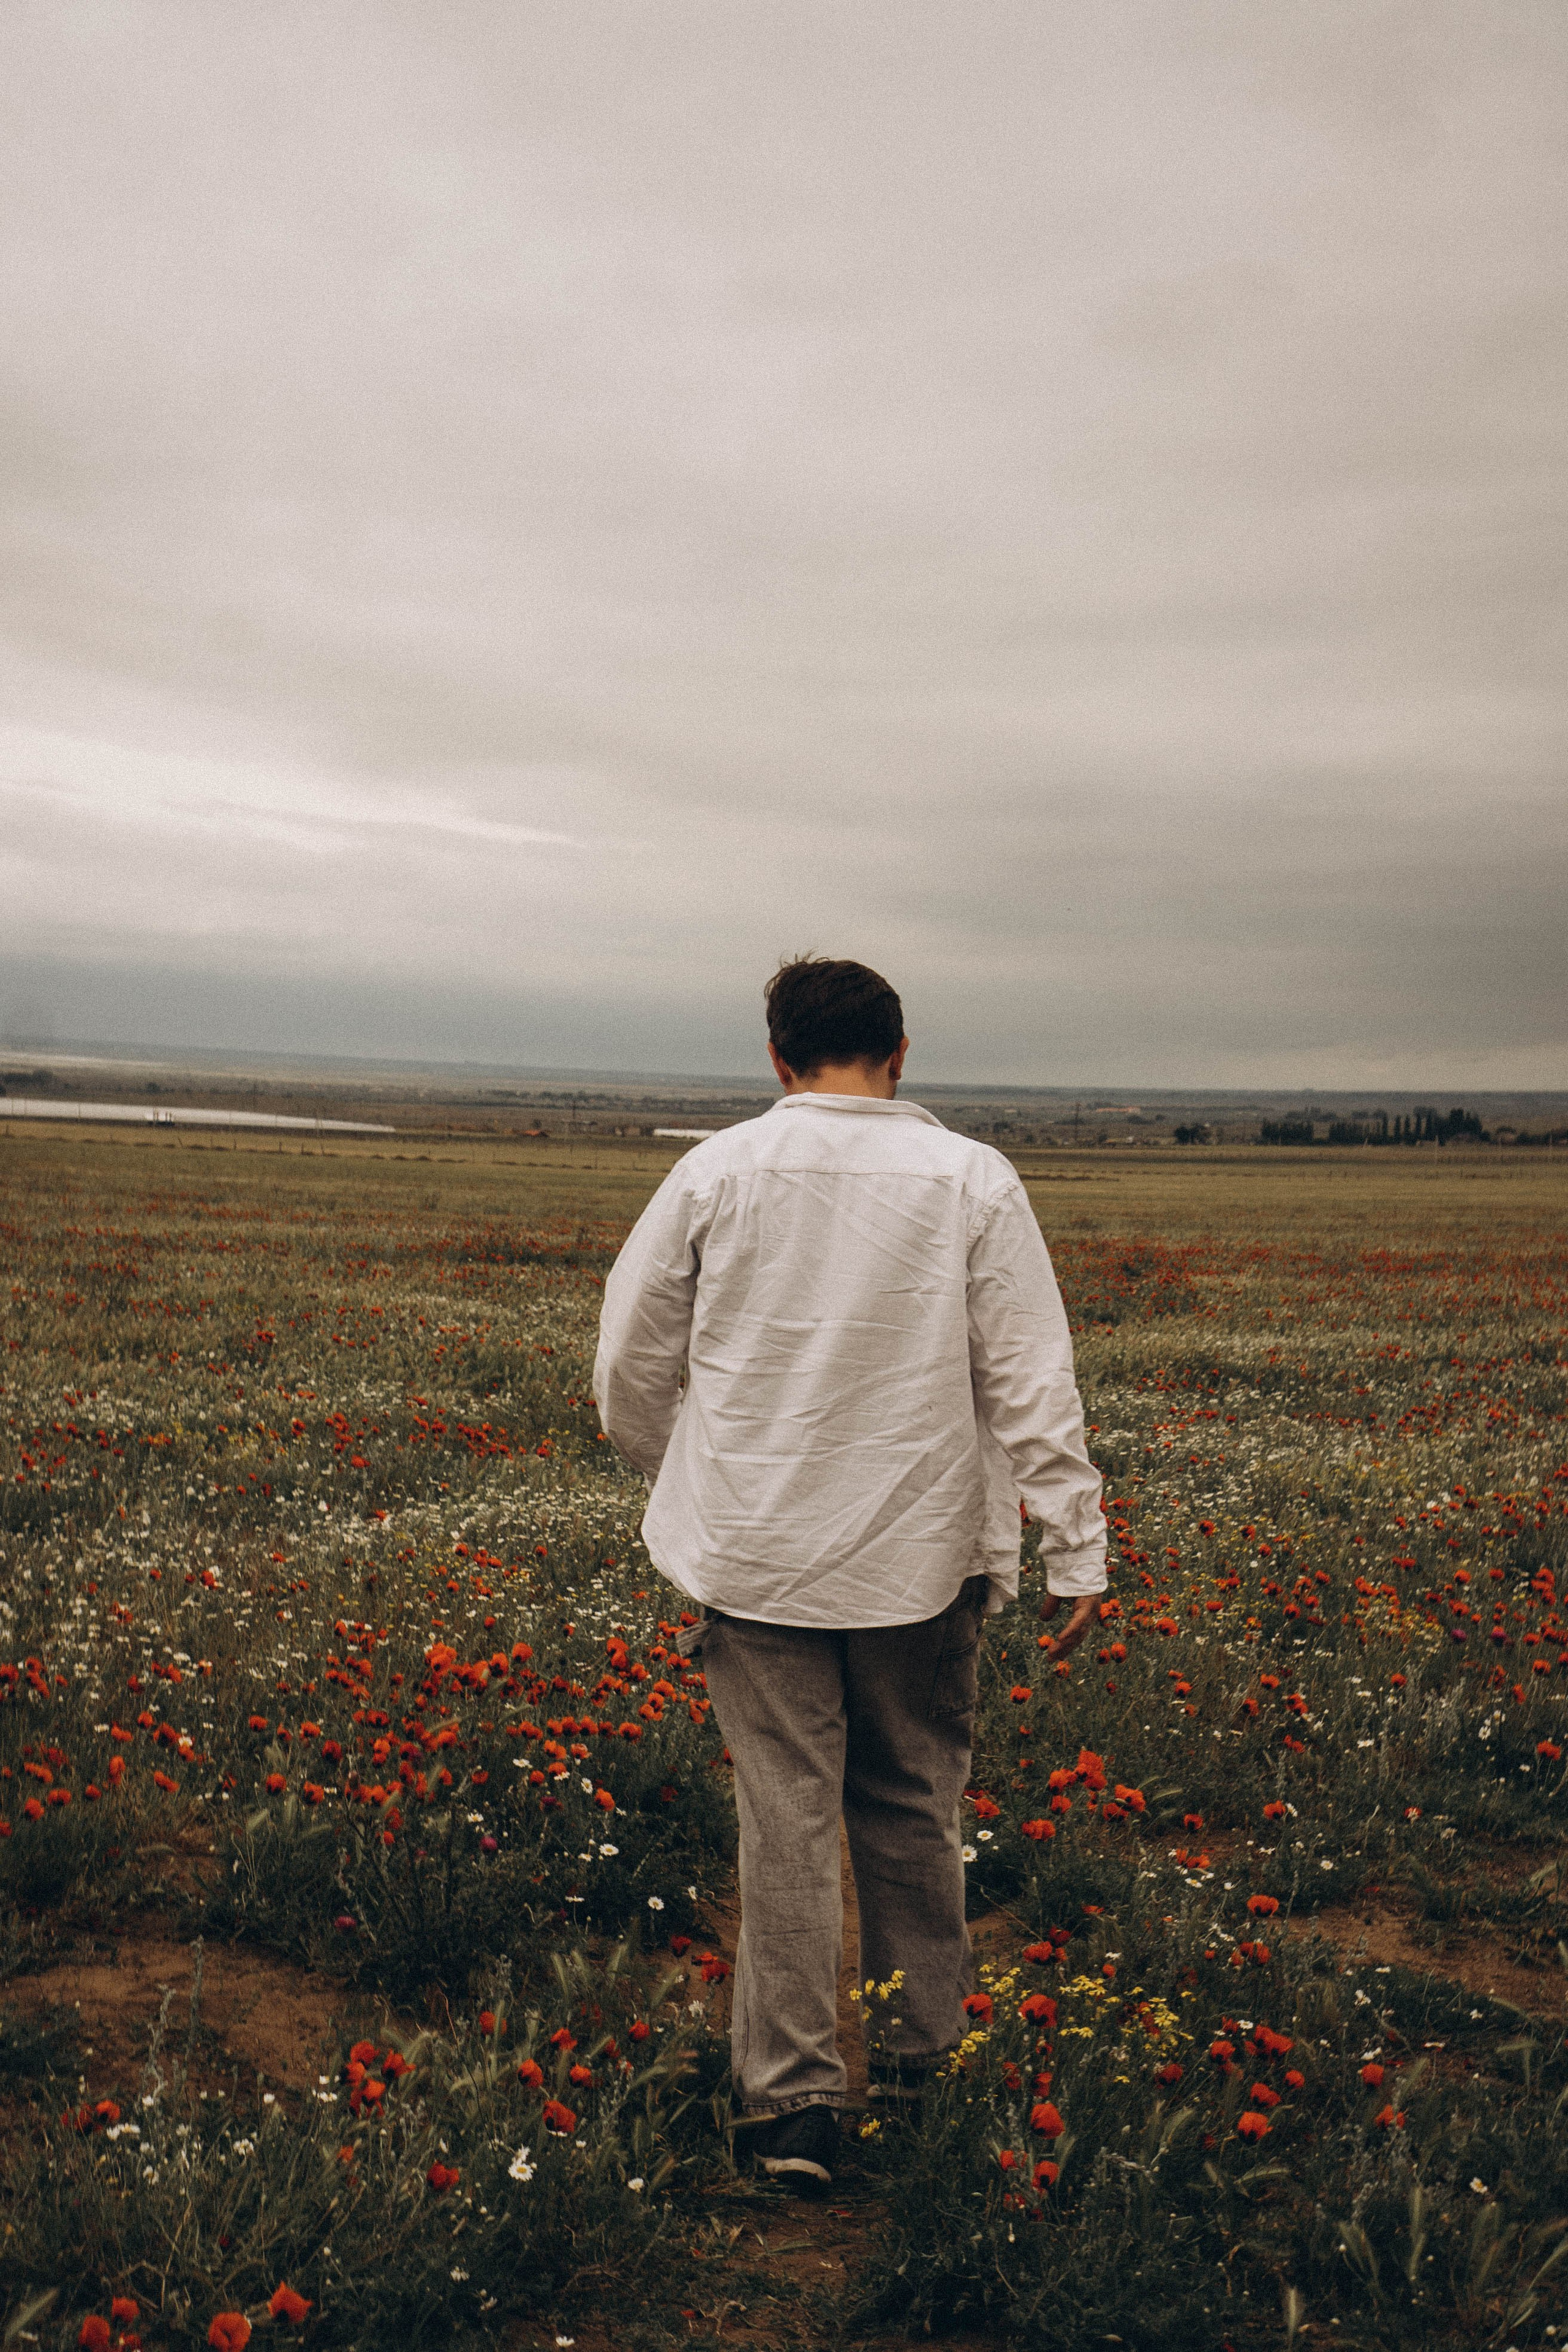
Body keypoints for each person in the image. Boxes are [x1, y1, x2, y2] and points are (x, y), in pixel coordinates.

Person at [593, 957, 1106, 2189]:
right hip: (923, 1559)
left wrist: (701, 1483)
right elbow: (1029, 1375)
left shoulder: (713, 1172)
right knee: (912, 1807)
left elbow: (626, 1368)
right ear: (900, 1050)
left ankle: (789, 2116)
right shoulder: (971, 1180)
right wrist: (1073, 1542)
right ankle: (928, 2076)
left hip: (756, 1559)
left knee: (783, 1824)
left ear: (777, 1057)